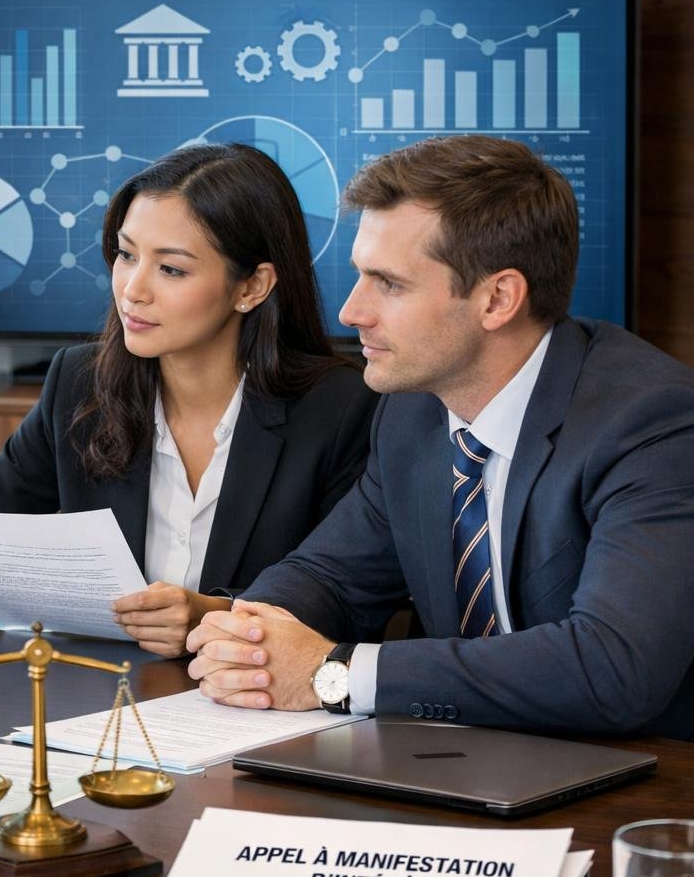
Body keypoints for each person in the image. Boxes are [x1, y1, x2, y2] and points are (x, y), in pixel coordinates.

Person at [185, 134, 694, 740]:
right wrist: (247, 635)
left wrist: (337, 674)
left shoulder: (653, 423)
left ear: (498, 298)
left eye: (389, 284)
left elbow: (612, 669)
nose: (350, 312)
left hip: (642, 784)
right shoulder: (411, 412)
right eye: (358, 277)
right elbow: (331, 576)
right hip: (464, 765)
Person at [0, 143, 378, 654]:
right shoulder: (79, 383)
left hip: (256, 704)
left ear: (253, 286)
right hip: (100, 698)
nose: (132, 290)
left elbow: (350, 599)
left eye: (171, 269)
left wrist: (211, 614)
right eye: (126, 255)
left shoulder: (341, 407)